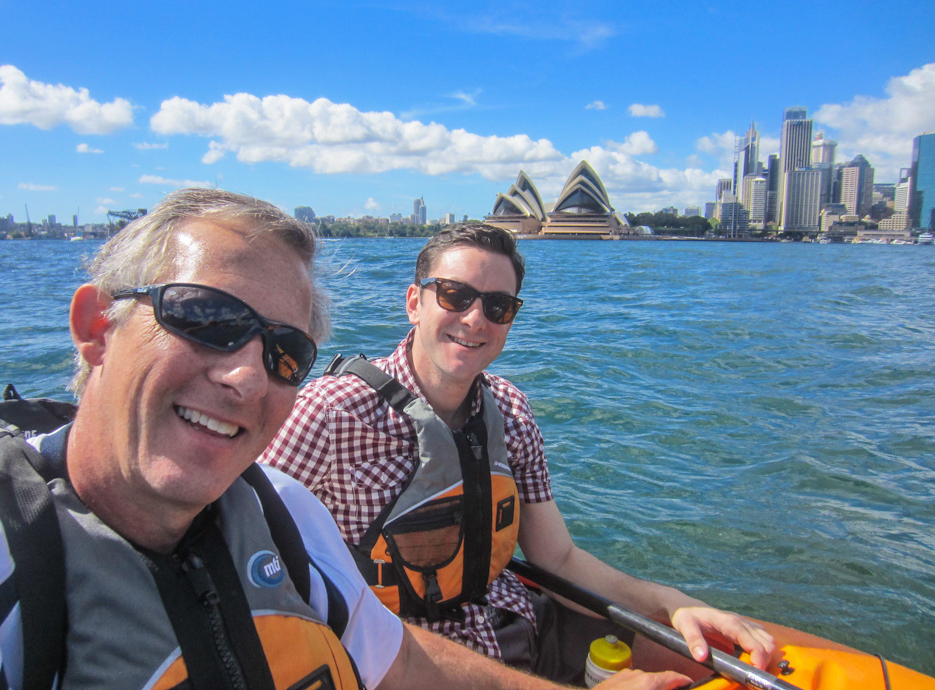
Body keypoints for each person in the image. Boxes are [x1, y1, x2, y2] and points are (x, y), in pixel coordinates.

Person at [0, 190, 691, 690]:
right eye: (203, 316)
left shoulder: (282, 515)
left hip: (501, 637)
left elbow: (527, 573)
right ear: (98, 328)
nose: (243, 378)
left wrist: (668, 602)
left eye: (282, 353)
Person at [261, 222, 775, 684]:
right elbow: (257, 564)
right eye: (455, 295)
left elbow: (558, 557)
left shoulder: (508, 408)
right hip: (401, 659)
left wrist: (669, 603)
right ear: (414, 302)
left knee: (706, 663)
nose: (475, 318)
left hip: (513, 625)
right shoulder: (328, 413)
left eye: (497, 306)